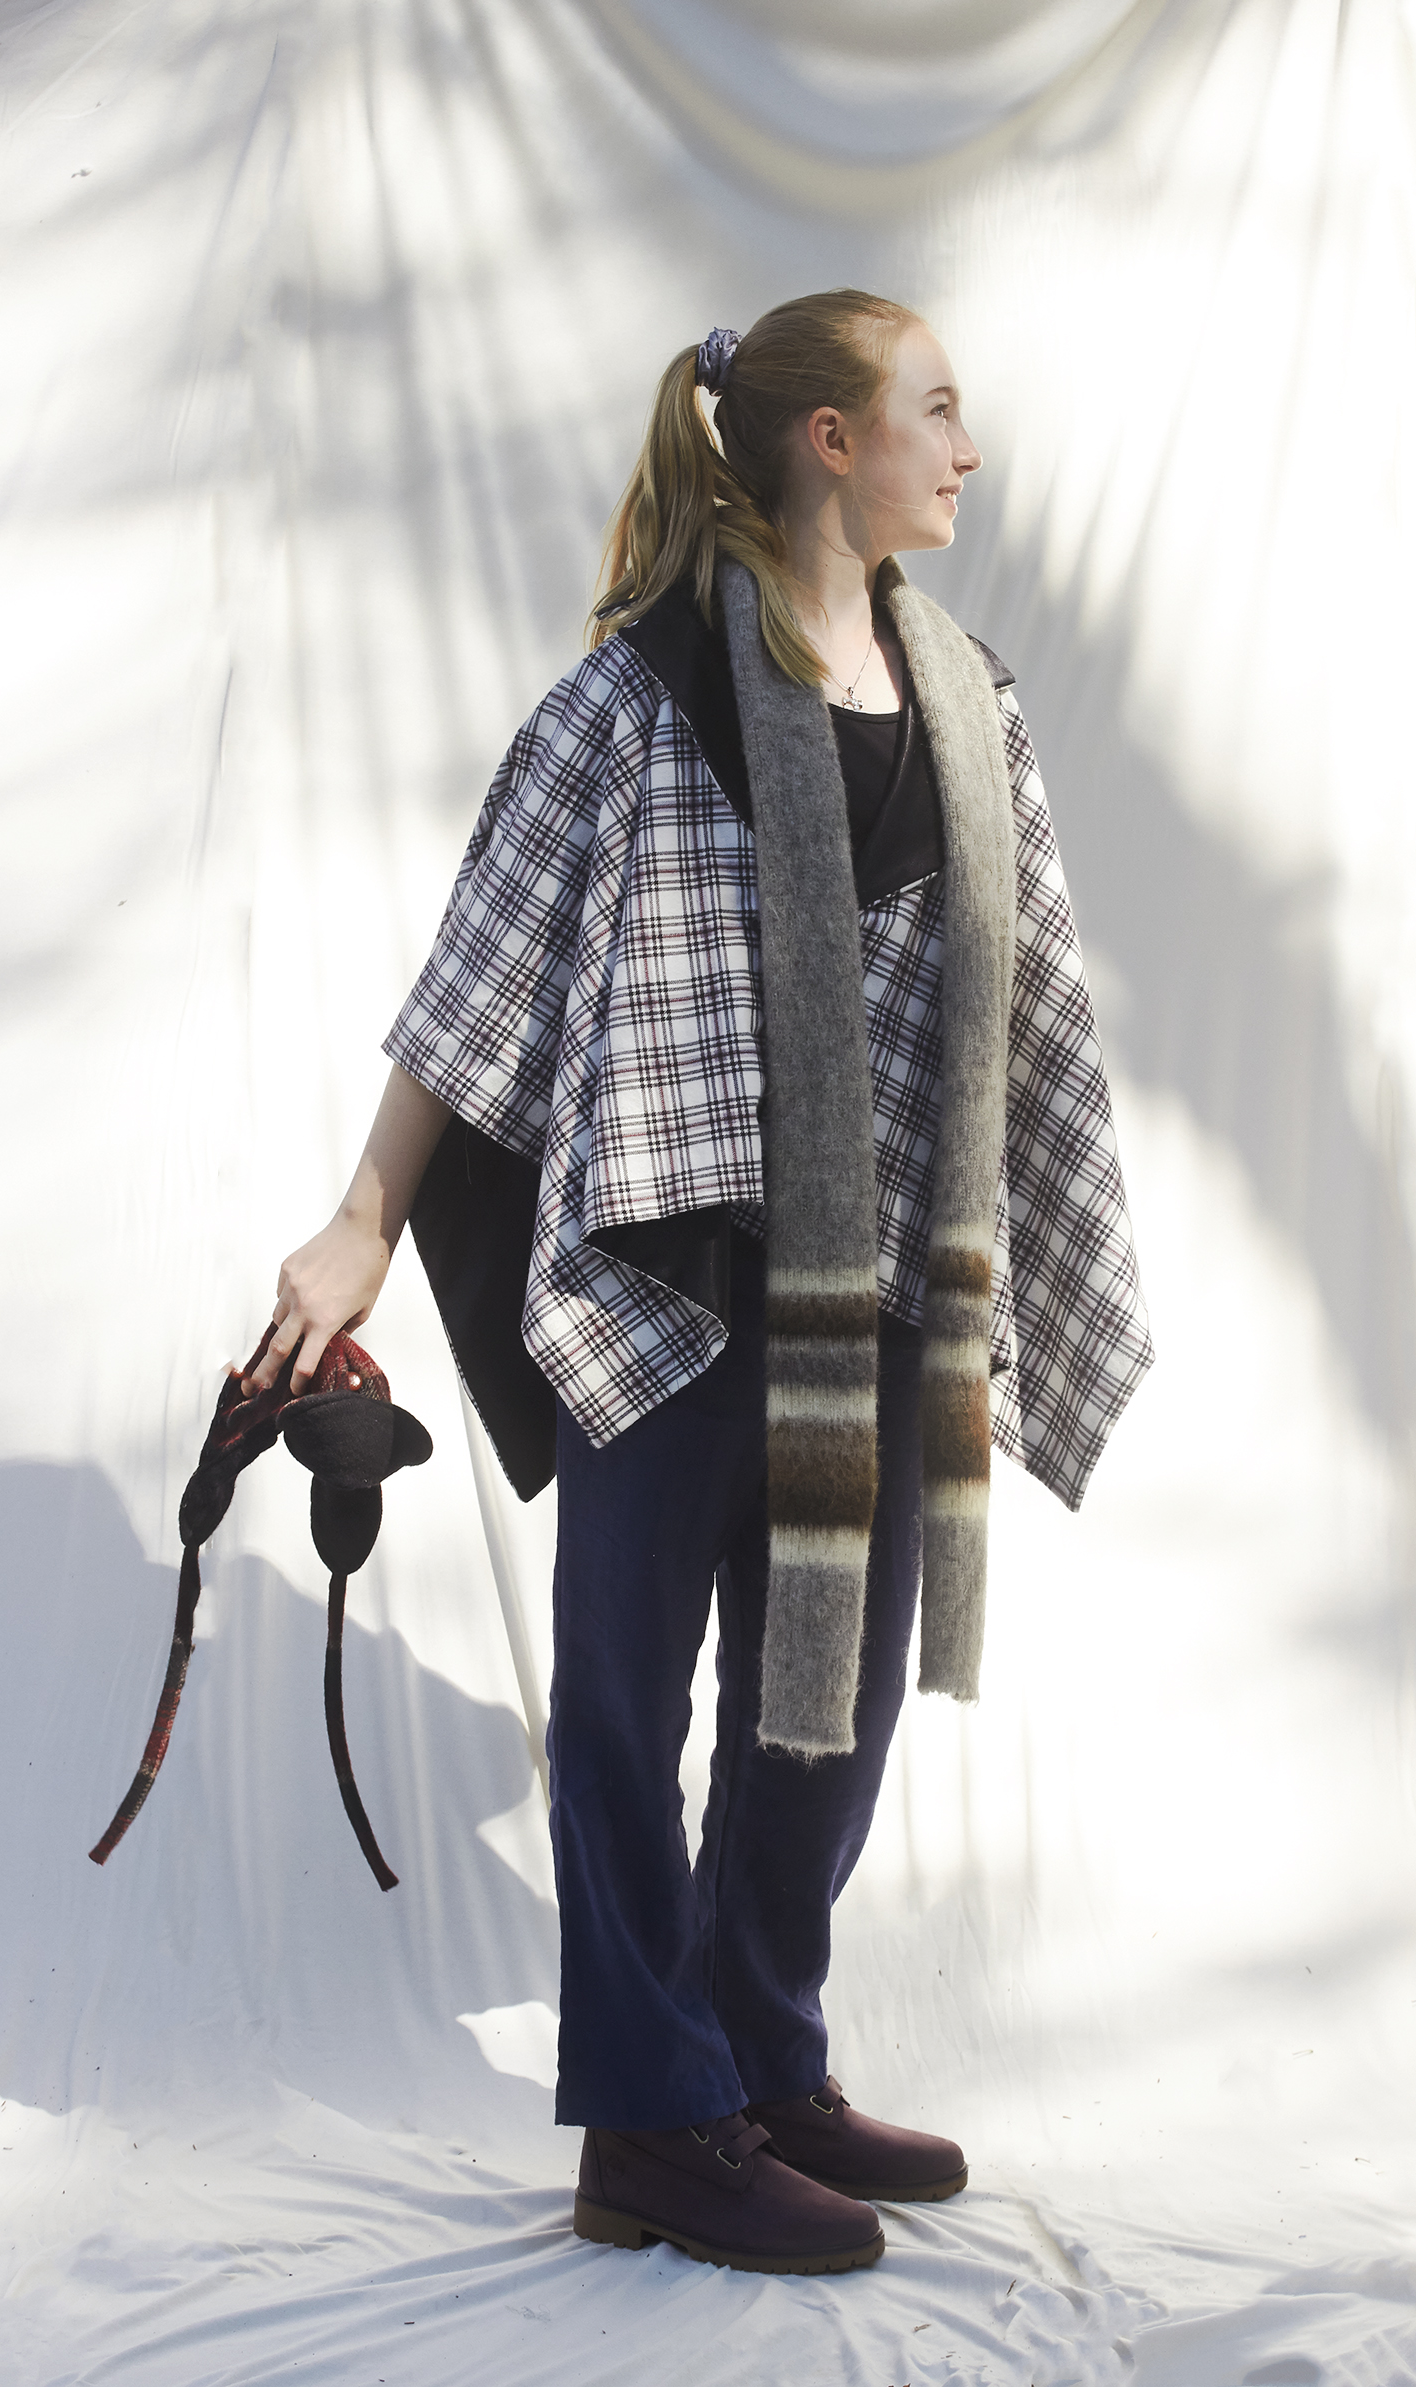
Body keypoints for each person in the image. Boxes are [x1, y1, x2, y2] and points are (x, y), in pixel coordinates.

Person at [240, 290, 1153, 2276]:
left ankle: (760, 2050)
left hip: (884, 1283)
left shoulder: (968, 706)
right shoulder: (638, 700)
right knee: (631, 1701)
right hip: (672, 1277)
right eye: (936, 410)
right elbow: (476, 989)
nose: (964, 447)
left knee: (823, 1710)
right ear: (830, 440)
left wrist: (1007, 1264)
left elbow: (1037, 1014)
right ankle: (654, 2125)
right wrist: (357, 1224)